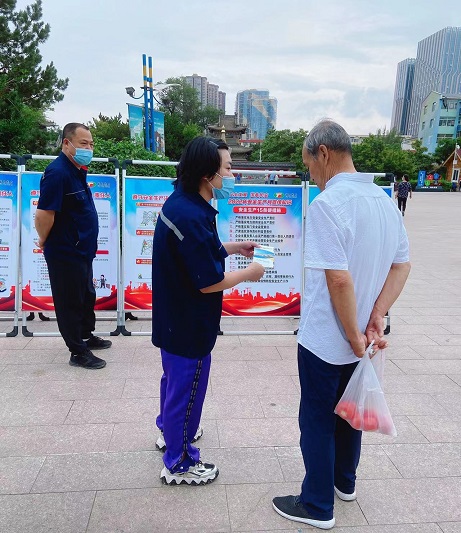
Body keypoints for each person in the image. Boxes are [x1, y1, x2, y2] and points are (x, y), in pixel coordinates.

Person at [272, 120, 410, 529]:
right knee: (349, 411)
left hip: (326, 339)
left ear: (324, 153)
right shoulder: (383, 200)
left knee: (316, 418)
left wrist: (352, 334)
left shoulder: (328, 204)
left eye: (309, 165)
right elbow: (402, 265)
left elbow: (338, 279)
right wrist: (376, 316)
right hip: (361, 336)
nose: (311, 175)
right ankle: (343, 481)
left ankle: (317, 505)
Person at [152, 136, 265, 486]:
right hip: (189, 325)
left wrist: (233, 248)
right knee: (187, 391)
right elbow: (208, 282)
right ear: (207, 174)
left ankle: (169, 431)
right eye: (228, 168)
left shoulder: (185, 204)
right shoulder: (191, 215)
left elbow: (199, 252)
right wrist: (250, 273)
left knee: (174, 385)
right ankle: (180, 461)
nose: (232, 175)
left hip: (174, 320)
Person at [34, 123, 111, 370]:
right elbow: (44, 214)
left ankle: (86, 336)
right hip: (65, 251)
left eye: (91, 144)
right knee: (69, 300)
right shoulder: (57, 173)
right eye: (83, 144)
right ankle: (77, 351)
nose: (89, 148)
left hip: (82, 250)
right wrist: (44, 239)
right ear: (66, 143)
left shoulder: (76, 170)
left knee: (86, 295)